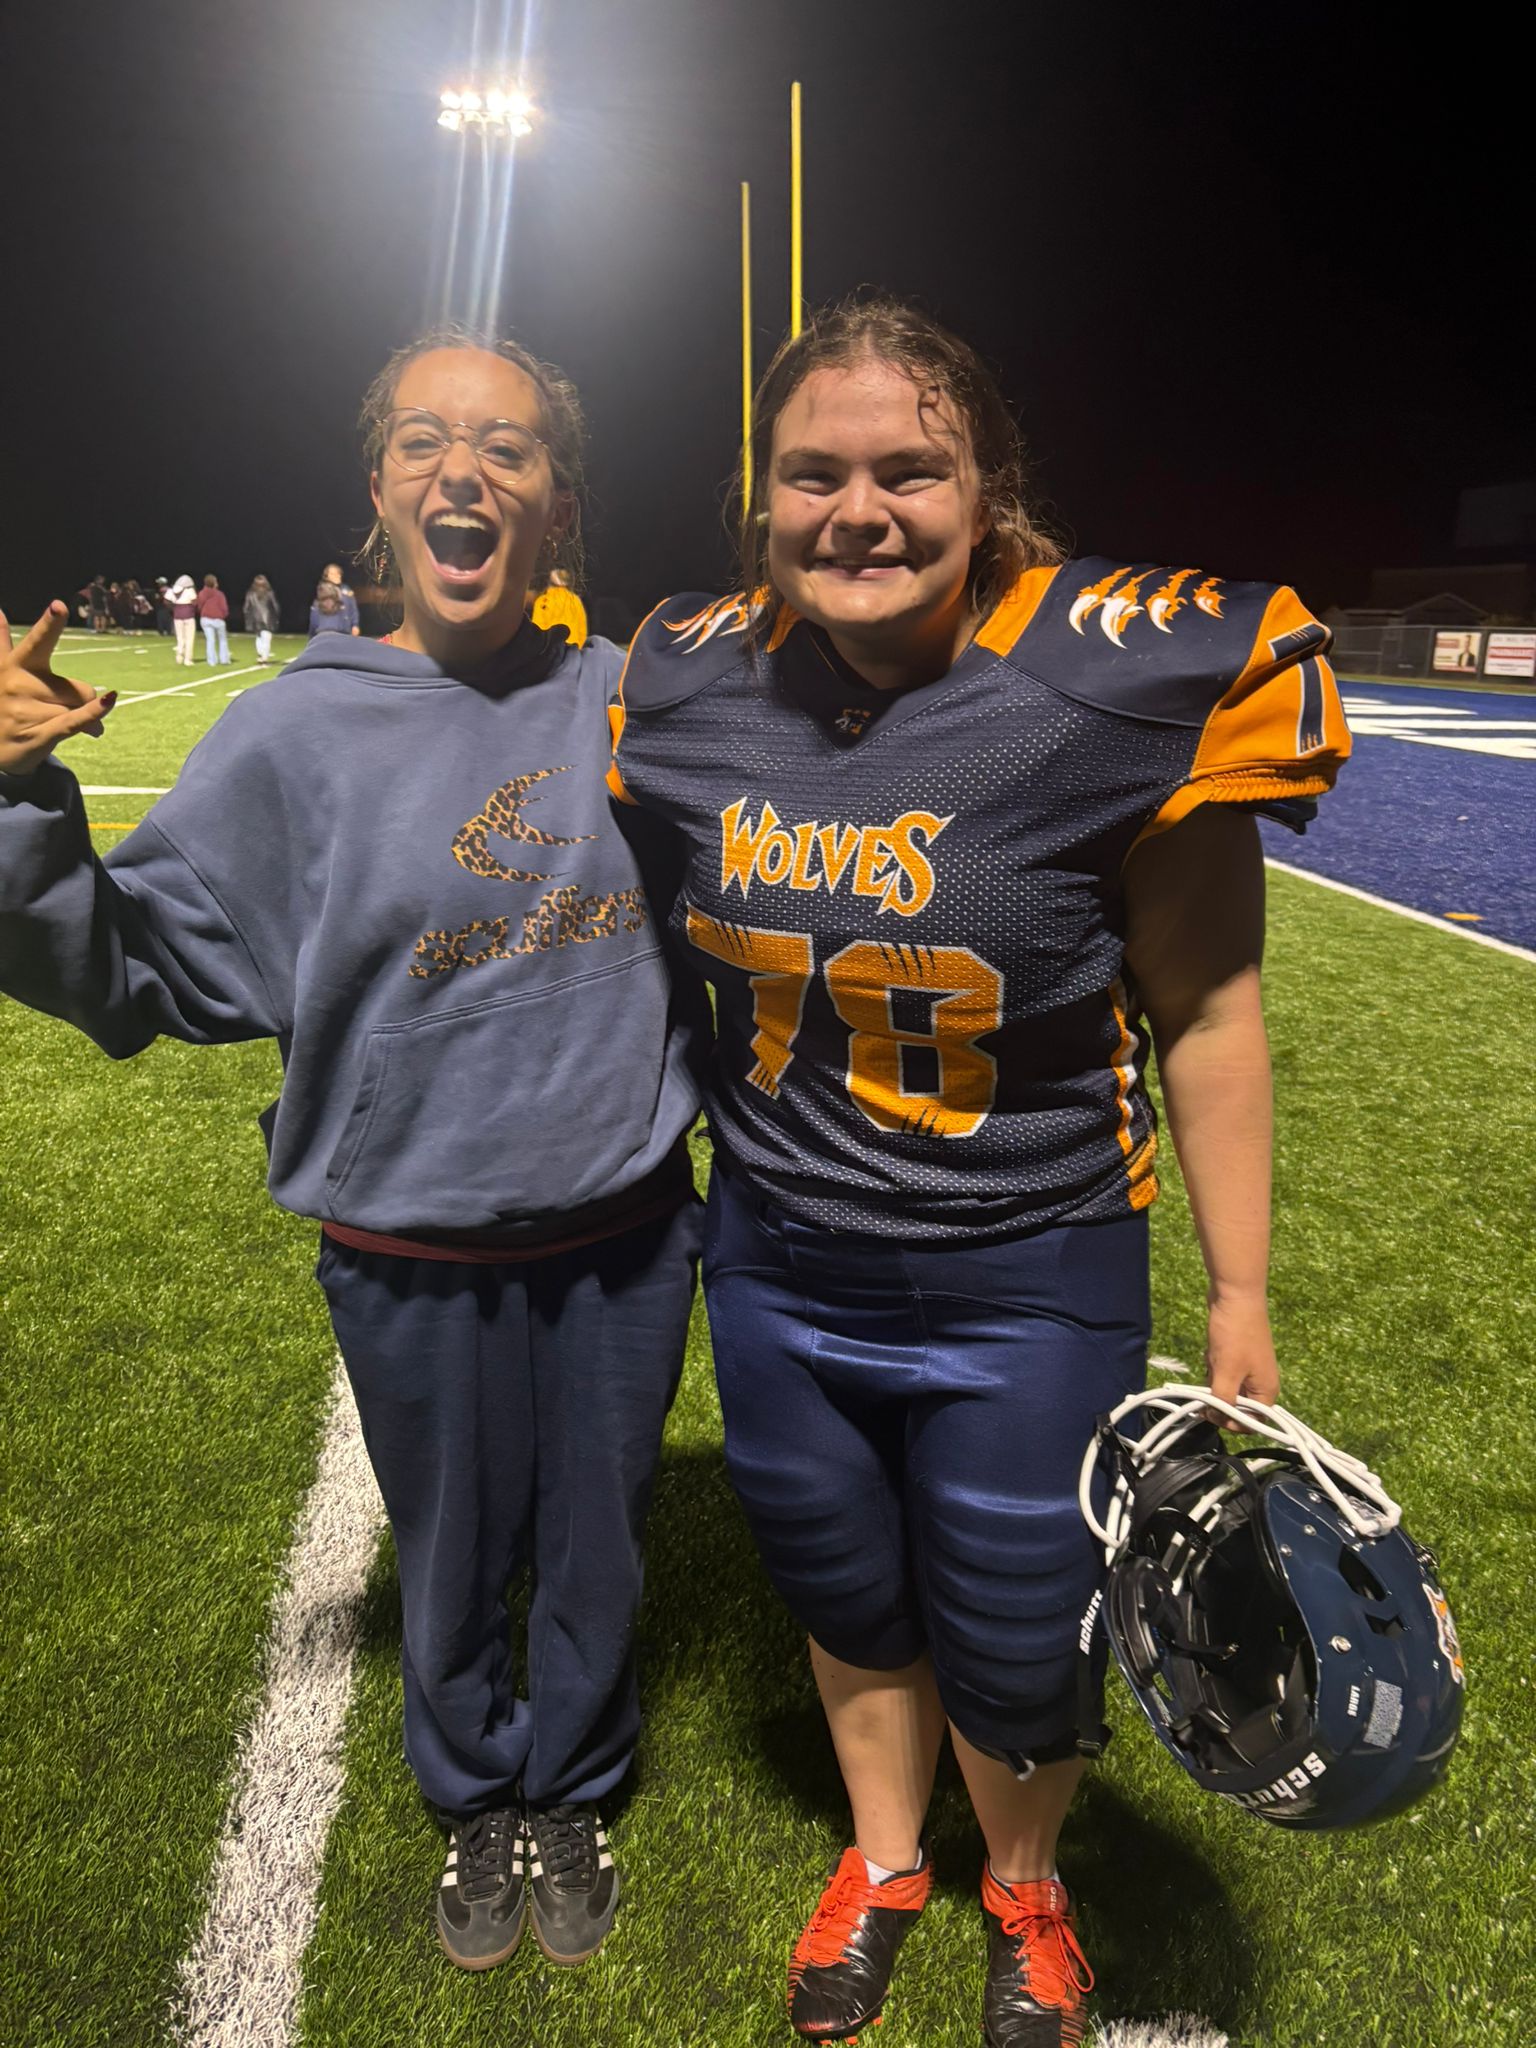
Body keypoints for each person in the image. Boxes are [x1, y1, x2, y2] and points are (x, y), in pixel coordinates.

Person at [610, 295, 1351, 2048]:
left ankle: (1024, 1881)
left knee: (1023, 1623)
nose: (856, 510)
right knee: (839, 1582)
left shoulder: (1115, 677)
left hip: (1033, 1262)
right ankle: (882, 1859)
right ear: (759, 497)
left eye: (906, 470)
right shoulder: (693, 674)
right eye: (813, 474)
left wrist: (1241, 1292)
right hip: (784, 1256)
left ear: (985, 486)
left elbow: (1215, 1015)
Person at [0, 330, 703, 1976]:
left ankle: (577, 1776)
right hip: (409, 1257)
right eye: (427, 442)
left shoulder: (635, 702)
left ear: (556, 502)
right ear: (381, 491)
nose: (466, 470)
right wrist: (21, 799)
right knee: (451, 1544)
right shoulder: (290, 731)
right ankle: (475, 1786)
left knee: (599, 1534)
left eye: (508, 448)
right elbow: (127, 964)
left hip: (623, 1243)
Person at [528, 566, 588, 647]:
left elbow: (537, 627)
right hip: (572, 650)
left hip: (551, 651)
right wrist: (578, 648)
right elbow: (582, 630)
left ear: (549, 582)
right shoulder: (575, 600)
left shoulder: (544, 600)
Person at [243, 573, 280, 661]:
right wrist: (276, 617)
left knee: (259, 637)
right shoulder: (269, 593)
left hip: (255, 620)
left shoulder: (250, 594)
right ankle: (264, 657)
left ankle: (261, 653)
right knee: (266, 639)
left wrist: (248, 618)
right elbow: (276, 607)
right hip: (268, 619)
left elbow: (246, 608)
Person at [196, 574, 232, 664]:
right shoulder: (219, 594)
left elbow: (199, 606)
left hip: (205, 619)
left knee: (210, 640)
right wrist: (224, 615)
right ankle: (224, 659)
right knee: (222, 640)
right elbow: (224, 608)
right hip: (218, 619)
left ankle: (212, 661)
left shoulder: (201, 593)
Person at [319, 561, 361, 635]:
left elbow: (353, 608)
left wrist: (355, 625)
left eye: (338, 573)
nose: (336, 576)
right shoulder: (323, 589)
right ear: (326, 576)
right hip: (330, 630)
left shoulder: (347, 590)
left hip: (345, 630)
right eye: (332, 574)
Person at [166, 574, 198, 665]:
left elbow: (166, 601)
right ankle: (188, 659)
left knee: (180, 638)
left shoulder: (171, 590)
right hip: (188, 616)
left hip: (177, 616)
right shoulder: (189, 590)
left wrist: (174, 608)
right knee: (189, 638)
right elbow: (195, 602)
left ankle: (179, 657)